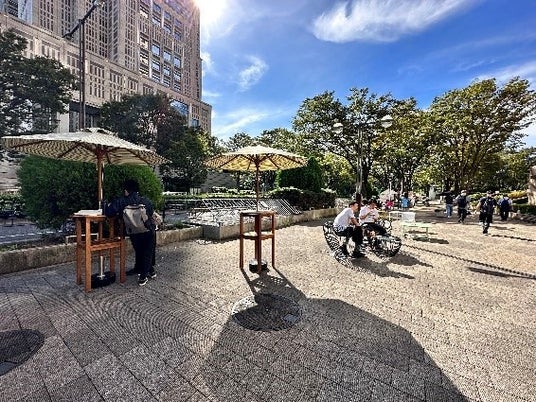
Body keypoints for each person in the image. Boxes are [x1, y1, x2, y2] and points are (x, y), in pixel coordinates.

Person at [105, 179, 157, 286]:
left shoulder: (121, 201)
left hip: (133, 232)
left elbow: (109, 213)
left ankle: (145, 272)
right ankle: (145, 275)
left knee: (140, 251)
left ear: (126, 190)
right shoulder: (145, 200)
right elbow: (151, 213)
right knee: (147, 252)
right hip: (147, 230)